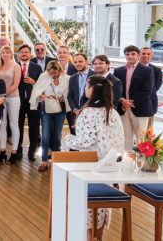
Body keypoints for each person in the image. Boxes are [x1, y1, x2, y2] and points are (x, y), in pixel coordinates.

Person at [62, 75, 124, 239]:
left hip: (90, 164)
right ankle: (99, 238)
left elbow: (86, 141)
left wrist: (68, 140)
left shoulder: (87, 112)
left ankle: (88, 238)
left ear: (91, 89)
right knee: (102, 206)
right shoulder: (113, 112)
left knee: (87, 204)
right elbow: (119, 142)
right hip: (108, 165)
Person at [31, 61, 71, 170]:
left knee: (57, 136)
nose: (54, 75)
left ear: (59, 70)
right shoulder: (44, 77)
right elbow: (36, 91)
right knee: (45, 136)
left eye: (55, 72)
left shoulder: (66, 78)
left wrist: (60, 98)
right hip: (47, 108)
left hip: (61, 108)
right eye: (51, 73)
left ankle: (55, 160)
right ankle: (44, 162)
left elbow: (69, 94)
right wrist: (46, 98)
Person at [114, 45, 155, 150]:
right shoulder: (118, 71)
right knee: (125, 137)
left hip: (140, 108)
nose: (130, 56)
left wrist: (130, 103)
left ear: (138, 56)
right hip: (123, 108)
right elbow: (116, 89)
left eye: (133, 54)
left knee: (141, 139)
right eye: (127, 54)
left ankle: (140, 163)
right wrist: (122, 101)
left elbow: (147, 90)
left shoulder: (147, 70)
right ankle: (127, 163)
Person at [17, 45, 44, 162]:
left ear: (30, 54)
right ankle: (18, 150)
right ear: (19, 54)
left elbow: (43, 83)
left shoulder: (37, 67)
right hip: (18, 101)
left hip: (33, 102)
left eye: (26, 52)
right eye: (22, 52)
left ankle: (32, 151)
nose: (24, 54)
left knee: (34, 127)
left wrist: (34, 82)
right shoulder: (15, 66)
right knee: (18, 127)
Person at [0, 46, 22, 165]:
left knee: (13, 125)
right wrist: (0, 97)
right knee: (2, 124)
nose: (5, 54)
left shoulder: (16, 66)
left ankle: (14, 152)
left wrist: (2, 95)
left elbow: (15, 85)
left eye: (7, 52)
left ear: (11, 54)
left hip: (13, 98)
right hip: (1, 100)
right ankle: (2, 151)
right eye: (3, 52)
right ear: (0, 54)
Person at [67, 53, 96, 118]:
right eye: (75, 62)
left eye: (80, 61)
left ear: (86, 62)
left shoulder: (95, 75)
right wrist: (75, 110)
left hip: (92, 112)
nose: (78, 64)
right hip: (76, 114)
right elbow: (70, 96)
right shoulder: (72, 78)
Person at [140, 47, 163, 126]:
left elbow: (156, 87)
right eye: (143, 53)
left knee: (147, 131)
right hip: (132, 105)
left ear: (151, 56)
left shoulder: (157, 71)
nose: (145, 56)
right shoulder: (132, 68)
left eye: (148, 54)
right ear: (139, 55)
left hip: (149, 104)